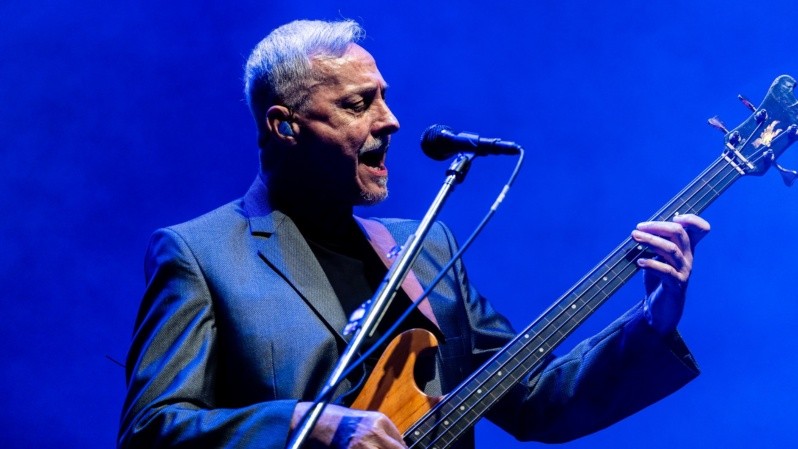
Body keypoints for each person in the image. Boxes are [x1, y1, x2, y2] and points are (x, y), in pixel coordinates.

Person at [118, 19, 711, 449]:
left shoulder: (425, 249)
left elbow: (538, 400)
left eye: (385, 98)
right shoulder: (202, 254)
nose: (391, 120)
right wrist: (310, 424)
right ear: (285, 126)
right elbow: (151, 429)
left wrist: (653, 323)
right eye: (358, 104)